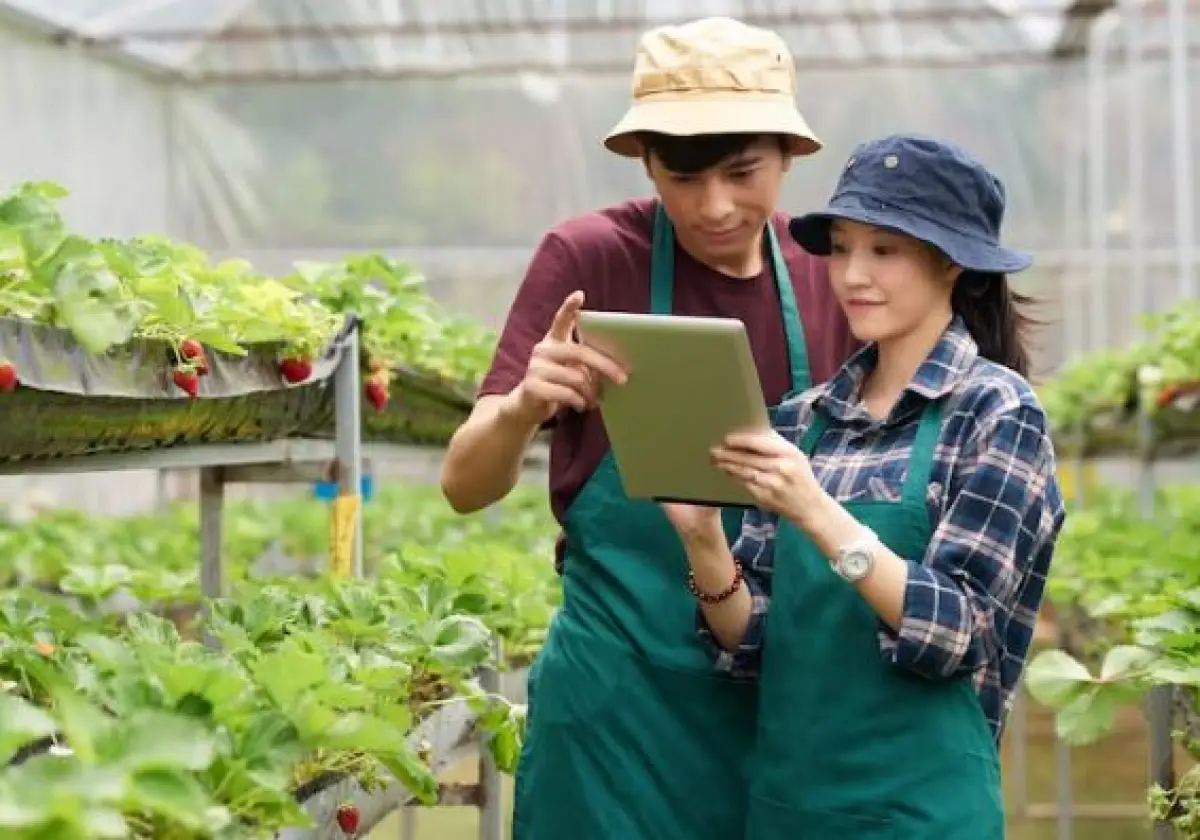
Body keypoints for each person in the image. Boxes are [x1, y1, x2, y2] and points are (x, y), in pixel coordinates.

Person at [440, 16, 860, 840]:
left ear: (788, 155)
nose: (712, 206)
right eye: (681, 173)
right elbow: (464, 485)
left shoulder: (828, 276)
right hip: (615, 710)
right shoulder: (592, 259)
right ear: (644, 161)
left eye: (742, 173)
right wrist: (526, 405)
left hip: (782, 698)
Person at [662, 133, 1067, 839]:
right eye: (843, 247)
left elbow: (956, 632)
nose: (852, 274)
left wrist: (815, 510)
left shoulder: (997, 414)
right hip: (788, 811)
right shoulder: (803, 420)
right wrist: (703, 542)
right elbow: (750, 643)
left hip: (922, 817)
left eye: (884, 250)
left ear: (951, 264)